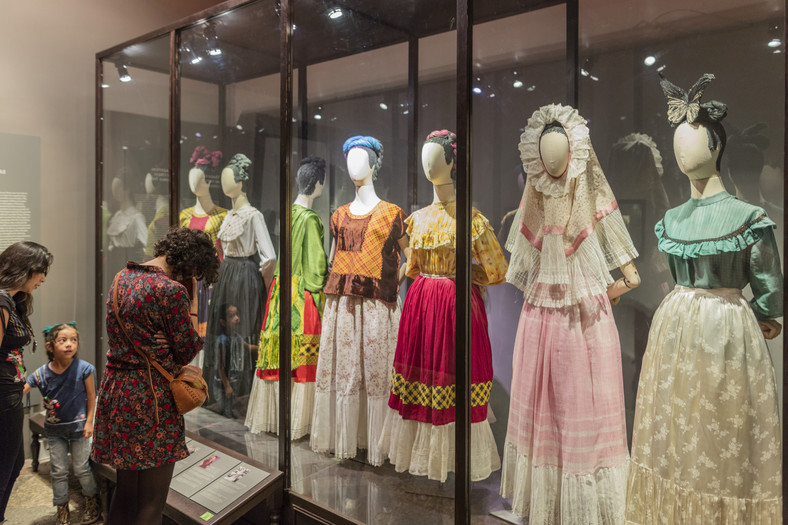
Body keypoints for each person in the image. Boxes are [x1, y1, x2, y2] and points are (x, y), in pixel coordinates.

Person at [91, 227, 219, 525]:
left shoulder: (121, 277)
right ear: (190, 264)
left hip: (117, 391)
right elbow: (186, 349)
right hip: (151, 398)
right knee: (152, 501)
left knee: (125, 492)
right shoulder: (170, 291)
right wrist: (189, 318)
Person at [24, 322, 100, 525]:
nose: (69, 344)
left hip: (79, 429)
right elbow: (23, 388)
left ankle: (92, 503)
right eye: (63, 340)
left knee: (82, 469)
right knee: (58, 472)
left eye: (73, 340)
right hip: (55, 431)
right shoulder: (42, 373)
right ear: (50, 346)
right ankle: (62, 508)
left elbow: (92, 396)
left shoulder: (84, 369)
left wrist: (90, 422)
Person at [0, 241, 52, 523]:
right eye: (41, 271)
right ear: (25, 269)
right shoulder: (2, 300)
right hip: (2, 395)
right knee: (6, 465)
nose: (43, 279)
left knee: (14, 462)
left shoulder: (12, 299)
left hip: (10, 393)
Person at [213, 303, 256, 418]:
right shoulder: (222, 340)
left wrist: (263, 348)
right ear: (223, 322)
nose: (237, 318)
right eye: (232, 316)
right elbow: (220, 366)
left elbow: (247, 347)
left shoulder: (236, 337)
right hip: (222, 384)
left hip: (233, 381)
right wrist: (227, 385)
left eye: (237, 315)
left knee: (232, 408)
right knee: (225, 411)